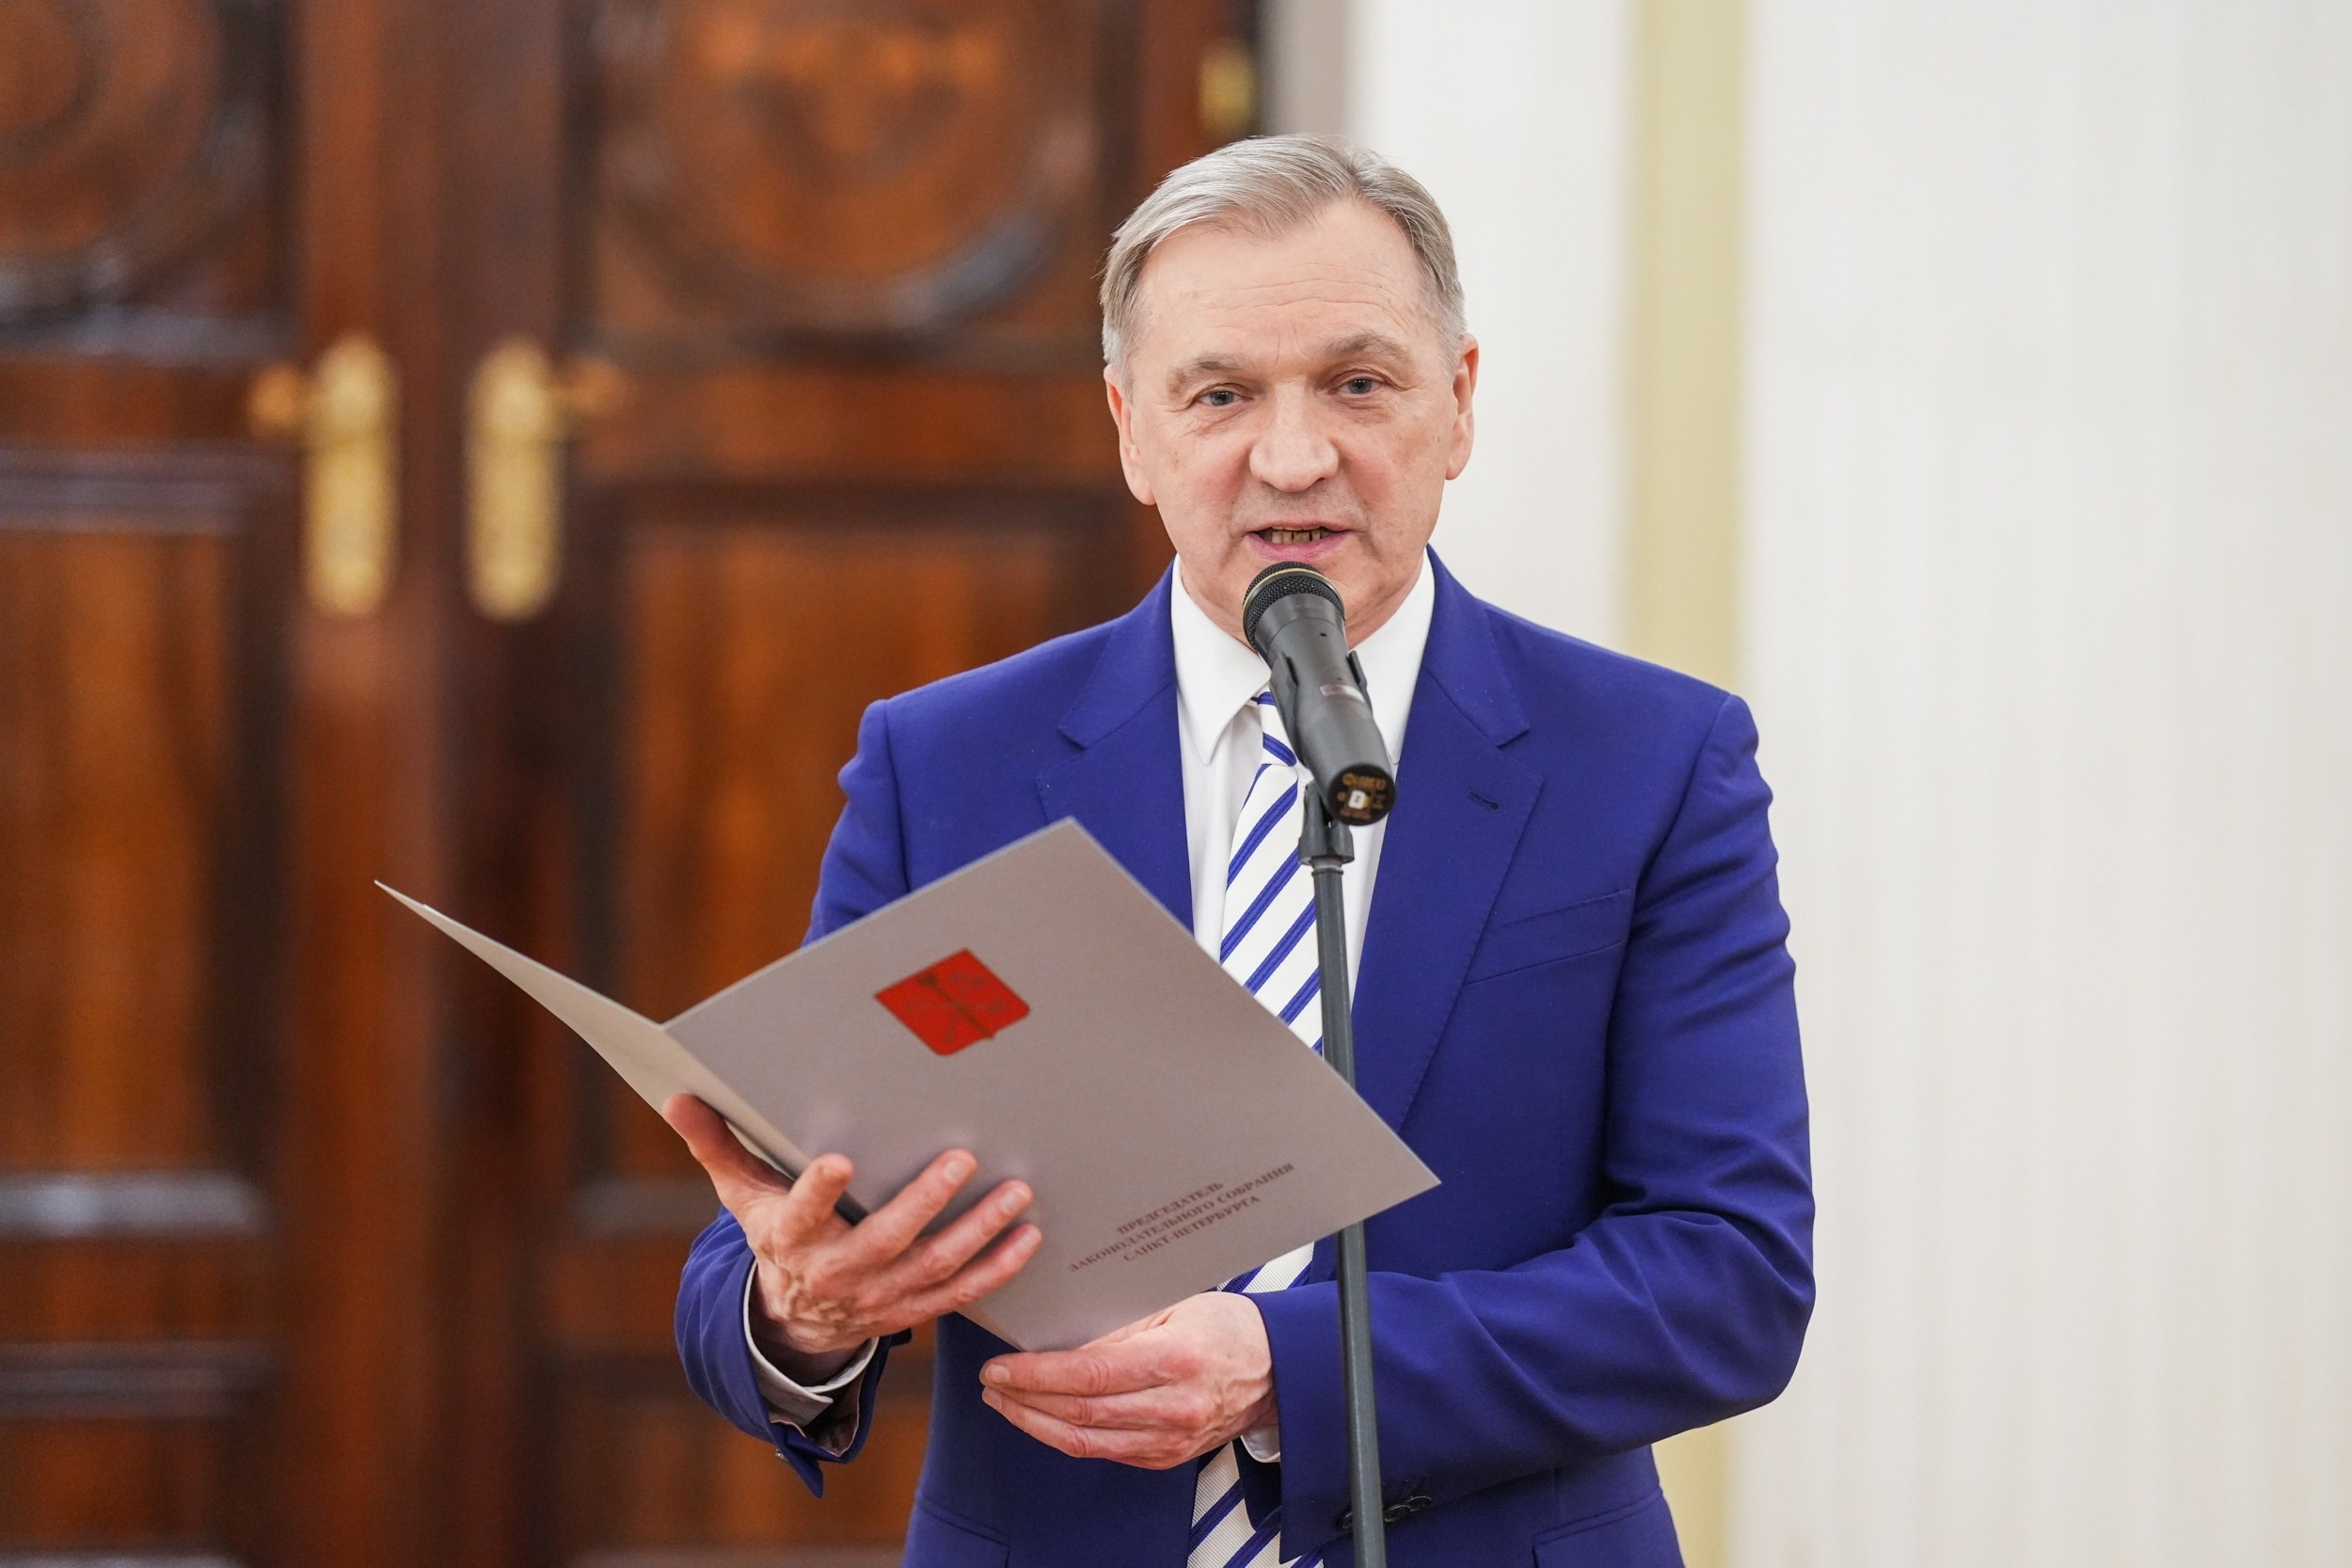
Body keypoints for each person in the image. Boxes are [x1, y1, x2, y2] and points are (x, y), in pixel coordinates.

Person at [665, 135, 1812, 1568]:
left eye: (1359, 383)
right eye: (1218, 394)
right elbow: (758, 1257)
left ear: (1457, 406)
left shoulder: (1649, 763)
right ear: (1130, 429)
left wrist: (1291, 1368)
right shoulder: (946, 762)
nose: (1293, 456)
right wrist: (805, 1313)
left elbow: (1728, 1280)